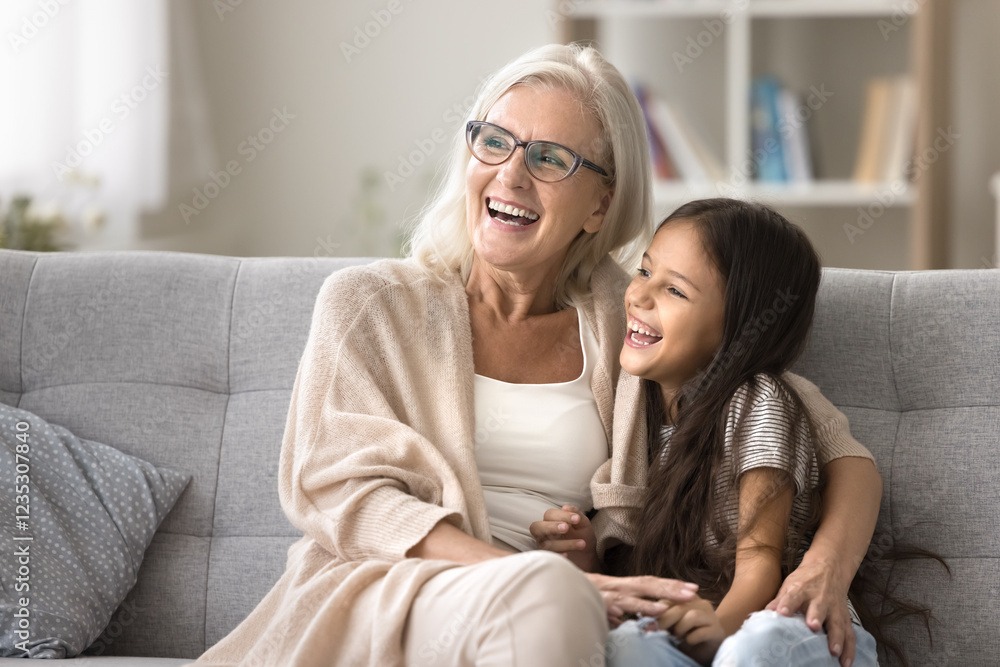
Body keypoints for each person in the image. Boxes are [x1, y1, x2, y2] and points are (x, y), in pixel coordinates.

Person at [192, 44, 881, 667]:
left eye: (550, 158)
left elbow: (830, 443)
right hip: (394, 591)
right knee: (552, 602)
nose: (511, 174)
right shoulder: (369, 305)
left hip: (565, 616)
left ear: (599, 205)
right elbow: (342, 495)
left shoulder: (632, 318)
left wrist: (824, 566)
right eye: (494, 142)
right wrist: (532, 576)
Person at [536, 199, 880, 666]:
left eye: (675, 291)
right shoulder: (635, 412)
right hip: (705, 627)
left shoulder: (755, 401)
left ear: (738, 329)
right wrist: (586, 558)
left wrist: (720, 632)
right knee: (626, 645)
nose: (638, 296)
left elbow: (760, 562)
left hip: (793, 626)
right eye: (644, 271)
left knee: (753, 647)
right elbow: (648, 572)